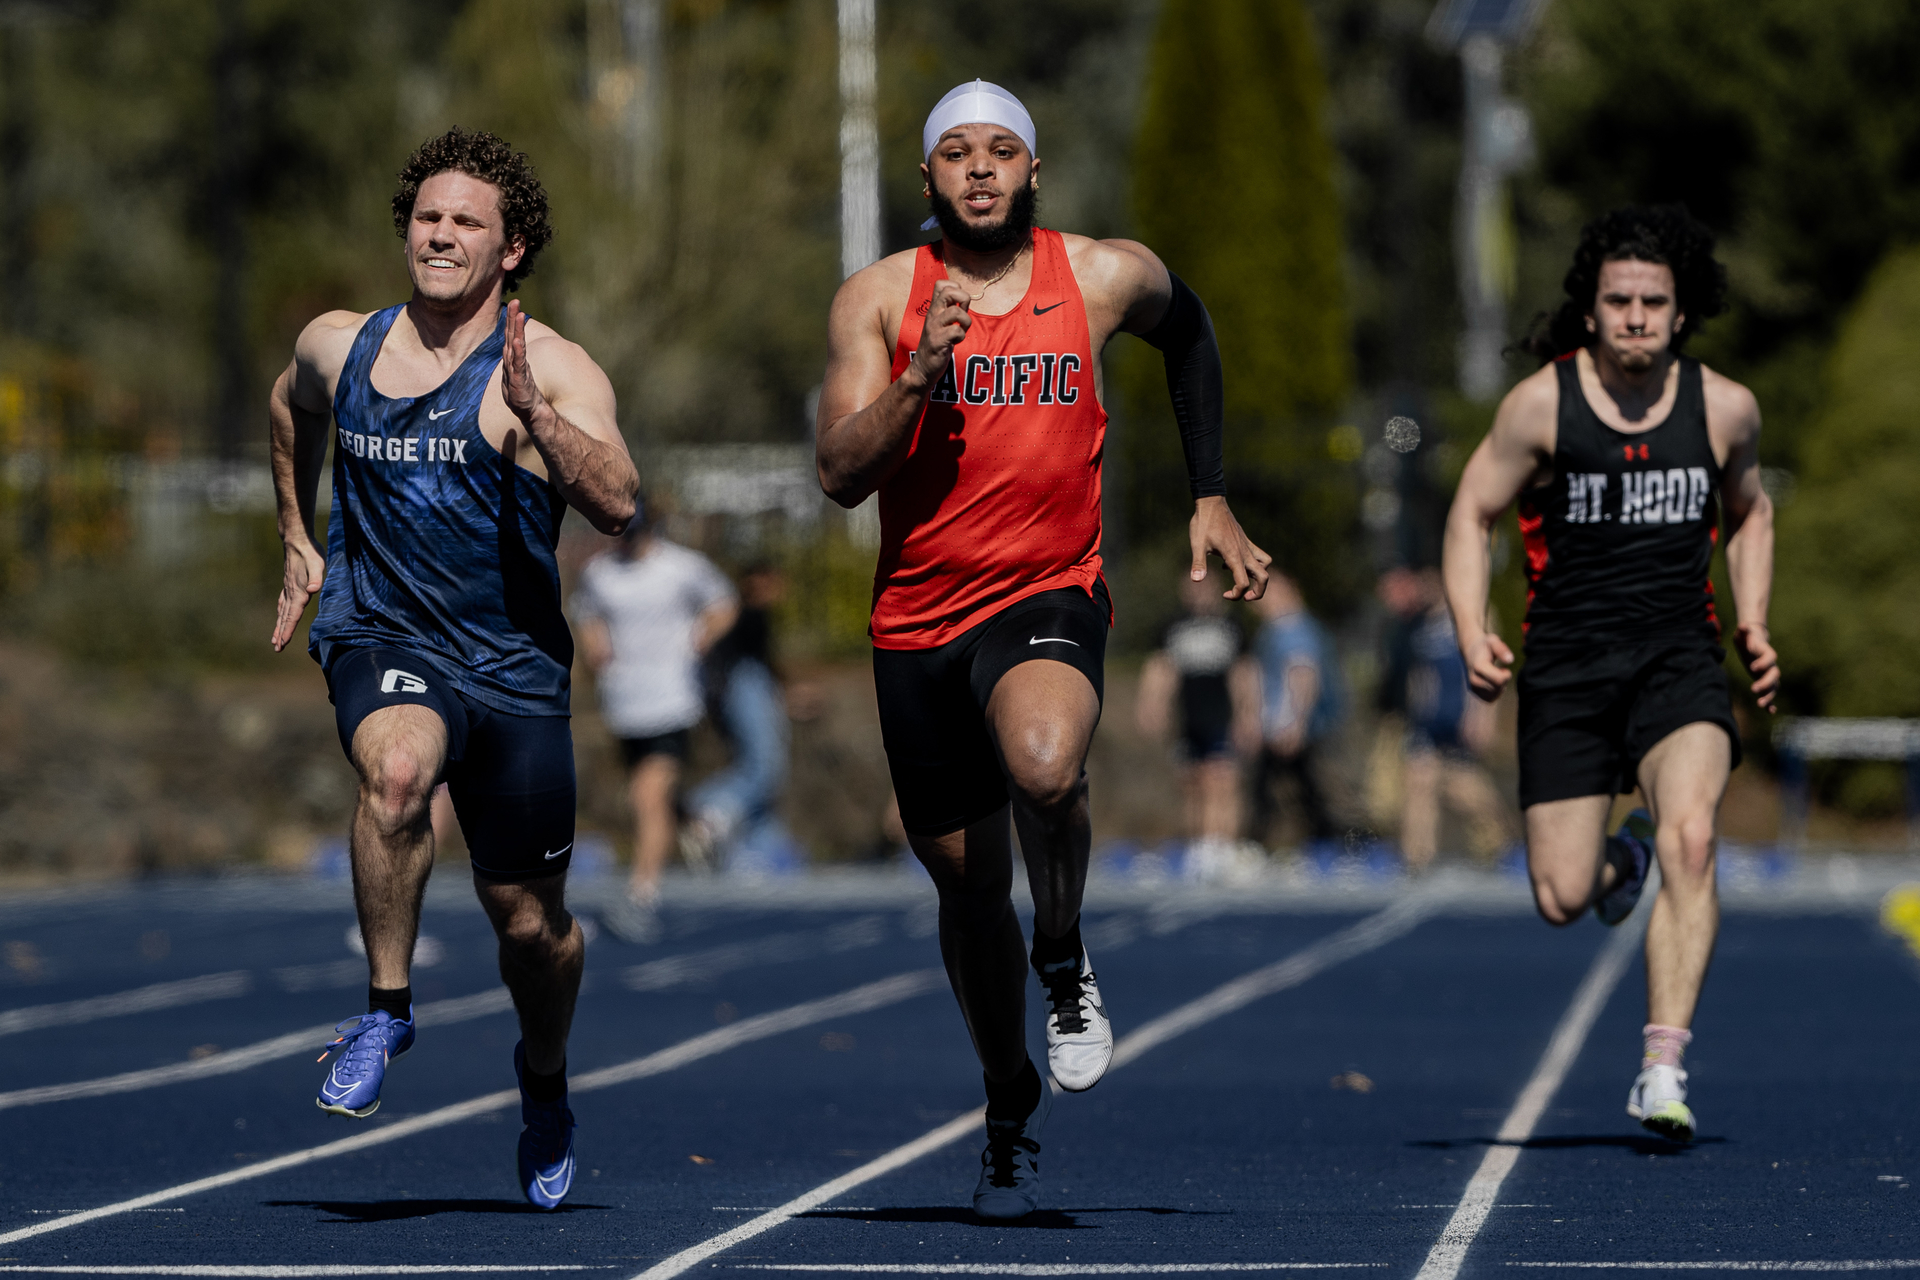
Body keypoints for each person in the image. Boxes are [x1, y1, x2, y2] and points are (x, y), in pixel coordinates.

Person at [816, 79, 1270, 1219]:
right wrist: (918, 379)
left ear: (1034, 170)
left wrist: (1210, 493)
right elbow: (838, 473)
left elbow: (1195, 330)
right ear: (926, 177)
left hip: (1046, 590)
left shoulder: (1102, 275)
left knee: (1045, 762)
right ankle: (1006, 1100)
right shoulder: (877, 300)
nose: (980, 168)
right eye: (958, 153)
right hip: (916, 618)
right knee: (969, 890)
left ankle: (1062, 956)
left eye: (1002, 151)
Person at [268, 127, 638, 1209]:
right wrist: (296, 533)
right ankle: (385, 1008)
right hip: (383, 634)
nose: (440, 234)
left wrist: (538, 422)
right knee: (394, 774)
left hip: (515, 671)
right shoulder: (341, 345)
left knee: (533, 926)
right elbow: (287, 412)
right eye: (428, 216)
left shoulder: (552, 367)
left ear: (511, 247)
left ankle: (545, 1077)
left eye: (467, 221)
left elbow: (619, 502)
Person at [1442, 205, 1778, 1143]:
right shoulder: (1543, 406)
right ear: (1591, 311)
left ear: (1681, 313)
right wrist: (1472, 629)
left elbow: (1750, 514)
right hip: (1567, 670)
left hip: (1679, 659)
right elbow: (1472, 513)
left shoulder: (1726, 408)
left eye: (1653, 302)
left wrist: (1751, 621)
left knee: (1696, 839)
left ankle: (1661, 1068)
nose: (1635, 316)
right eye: (1618, 300)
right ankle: (1617, 855)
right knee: (1560, 897)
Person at [572, 505, 738, 940]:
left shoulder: (682, 567)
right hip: (626, 701)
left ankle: (641, 894)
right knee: (658, 798)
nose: (626, 541)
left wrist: (702, 636)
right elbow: (586, 612)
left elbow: (724, 604)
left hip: (674, 697)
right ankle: (701, 825)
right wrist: (596, 646)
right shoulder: (600, 573)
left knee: (646, 796)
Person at [1136, 569, 1261, 872]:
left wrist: (1249, 713)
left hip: (1221, 714)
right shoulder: (1173, 626)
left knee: (1222, 781)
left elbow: (1243, 673)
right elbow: (1161, 668)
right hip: (1188, 715)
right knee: (1192, 782)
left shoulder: (1231, 626)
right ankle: (1199, 846)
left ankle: (1223, 846)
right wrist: (1152, 704)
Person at [1396, 569, 1509, 872]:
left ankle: (1497, 841)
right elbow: (1420, 673)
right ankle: (1417, 857)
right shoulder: (1419, 624)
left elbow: (1485, 667)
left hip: (1461, 715)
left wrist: (1481, 714)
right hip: (1429, 720)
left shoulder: (1471, 617)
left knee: (1466, 789)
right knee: (1419, 782)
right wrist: (1416, 711)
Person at [683, 563, 792, 871]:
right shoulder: (746, 614)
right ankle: (707, 807)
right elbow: (750, 661)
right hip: (745, 688)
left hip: (739, 691)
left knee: (763, 774)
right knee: (766, 766)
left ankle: (760, 852)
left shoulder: (745, 615)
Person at [1247, 569, 1341, 851]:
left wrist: (1297, 722)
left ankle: (1333, 845)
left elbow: (1303, 676)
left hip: (1302, 727)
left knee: (1308, 791)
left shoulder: (1294, 628)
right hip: (1282, 725)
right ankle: (1325, 843)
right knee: (1290, 790)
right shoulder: (1273, 630)